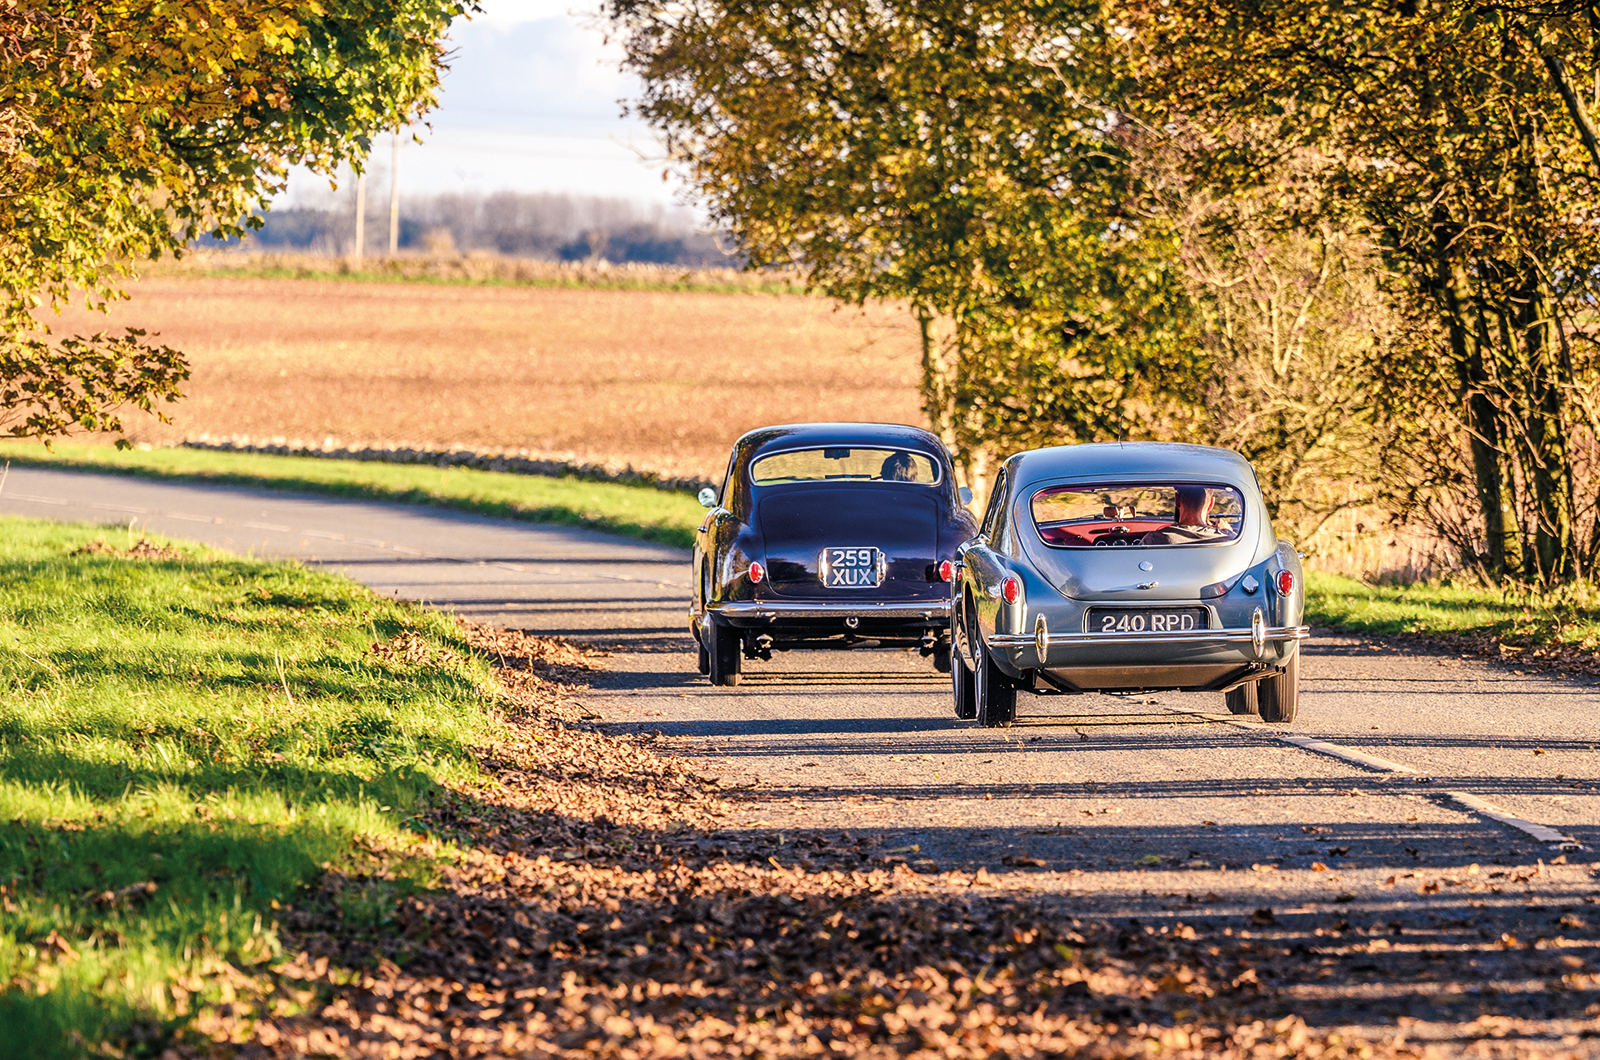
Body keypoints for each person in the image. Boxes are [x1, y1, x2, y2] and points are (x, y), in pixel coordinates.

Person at [1141, 485, 1226, 545]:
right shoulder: (1227, 539)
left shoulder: (1154, 539)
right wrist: (1226, 530)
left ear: (1177, 501)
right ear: (1211, 504)